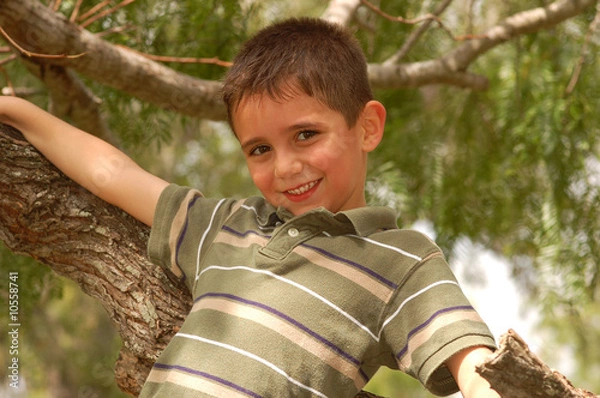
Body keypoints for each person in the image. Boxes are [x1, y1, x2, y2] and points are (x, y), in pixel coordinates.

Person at [0, 17, 499, 398]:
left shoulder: (401, 260)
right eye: (260, 149)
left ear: (366, 127)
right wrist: (15, 109)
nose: (284, 167)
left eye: (306, 135)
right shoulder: (224, 226)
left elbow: (473, 364)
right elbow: (112, 174)